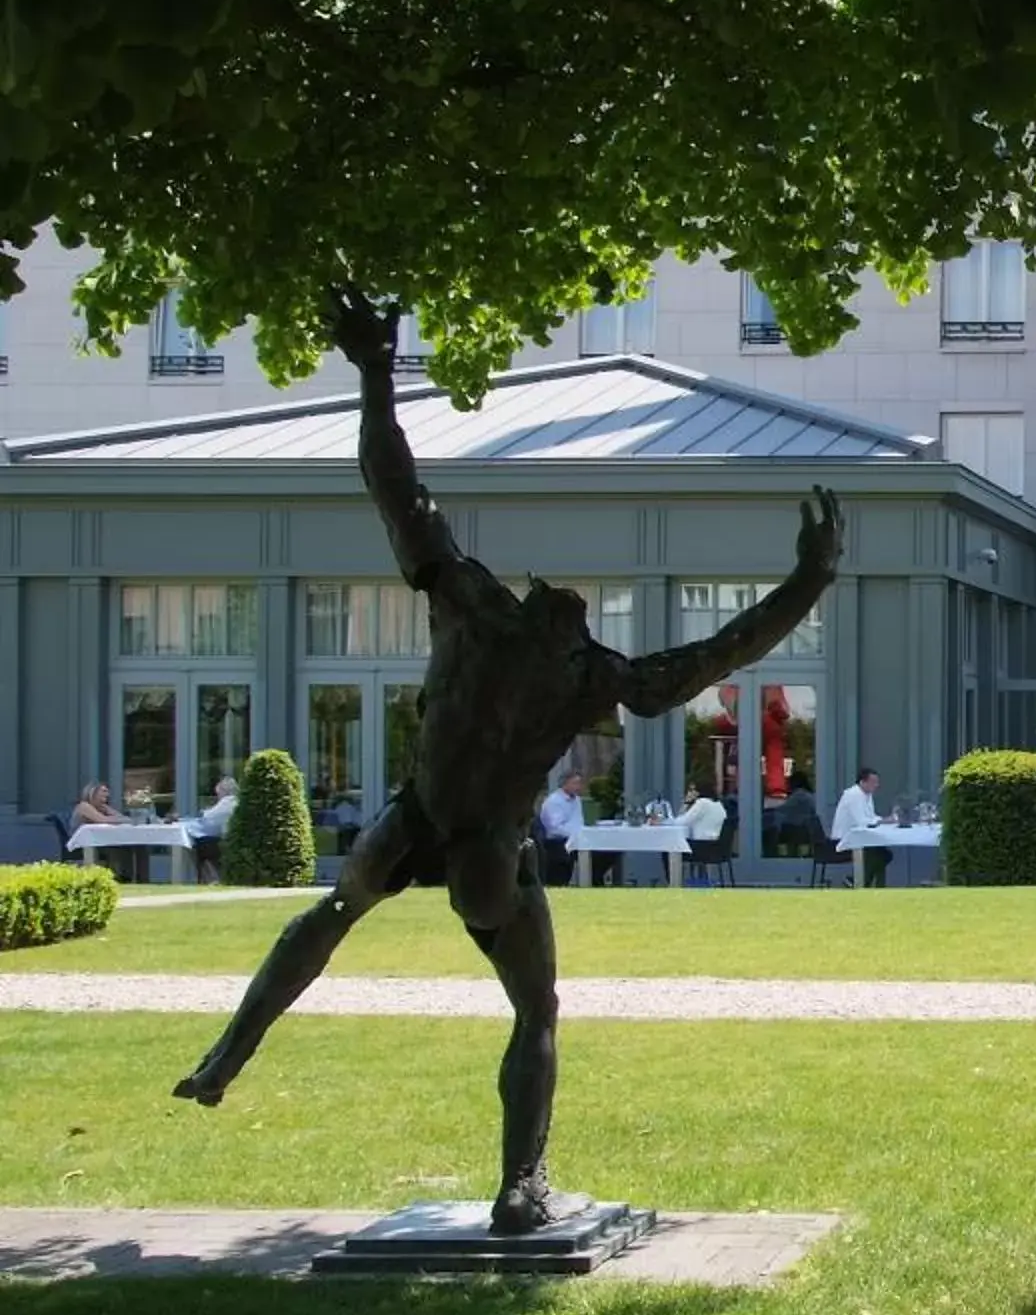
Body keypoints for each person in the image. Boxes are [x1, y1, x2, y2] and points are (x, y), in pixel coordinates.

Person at [172, 310, 845, 1235]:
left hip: (442, 823)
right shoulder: (544, 647)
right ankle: (510, 1177)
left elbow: (398, 490)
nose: (572, 602)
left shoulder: (491, 616)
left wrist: (376, 372)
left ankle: (245, 1064)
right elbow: (397, 487)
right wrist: (807, 583)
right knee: (528, 1005)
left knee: (356, 918)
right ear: (543, 610)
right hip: (470, 834)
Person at [831, 766, 890, 885]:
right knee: (880, 855)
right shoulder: (853, 795)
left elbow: (870, 817)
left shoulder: (867, 795)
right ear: (862, 782)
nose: (876, 785)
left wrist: (884, 820)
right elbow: (861, 821)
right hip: (844, 839)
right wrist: (882, 821)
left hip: (860, 838)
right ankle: (859, 882)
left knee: (883, 854)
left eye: (877, 782)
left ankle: (862, 882)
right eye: (873, 782)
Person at [536, 771, 587, 886]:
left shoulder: (577, 801)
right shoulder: (554, 801)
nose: (578, 787)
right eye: (575, 783)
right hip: (556, 842)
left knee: (601, 854)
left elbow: (578, 822)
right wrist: (575, 834)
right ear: (565, 784)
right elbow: (554, 828)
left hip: (577, 839)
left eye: (579, 783)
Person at [674, 784, 728, 884]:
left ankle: (673, 883)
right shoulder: (719, 805)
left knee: (672, 848)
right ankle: (698, 880)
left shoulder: (702, 803)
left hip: (702, 846)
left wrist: (686, 803)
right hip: (716, 847)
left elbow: (682, 821)